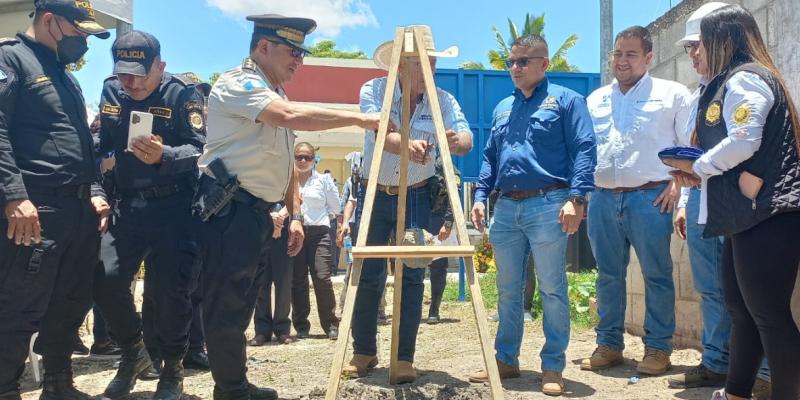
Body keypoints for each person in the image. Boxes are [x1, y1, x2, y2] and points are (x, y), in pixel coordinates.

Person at [194, 14, 379, 399]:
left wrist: (293, 216)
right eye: (292, 51)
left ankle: (236, 384)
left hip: (259, 214)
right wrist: (361, 118)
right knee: (226, 303)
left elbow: (287, 165)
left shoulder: (274, 92)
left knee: (243, 301)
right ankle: (229, 389)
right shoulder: (240, 84)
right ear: (263, 47)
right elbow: (289, 118)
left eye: (302, 53)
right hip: (229, 211)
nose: (300, 60)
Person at [666, 5, 800, 399]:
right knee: (744, 313)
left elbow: (745, 140)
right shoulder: (727, 82)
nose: (694, 52)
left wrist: (699, 167)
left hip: (770, 215)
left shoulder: (745, 80)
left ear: (726, 39)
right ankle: (736, 393)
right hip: (747, 217)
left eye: (701, 42)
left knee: (770, 317)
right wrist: (699, 171)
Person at [342, 25, 473, 383]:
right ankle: (364, 352)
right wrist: (404, 142)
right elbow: (380, 130)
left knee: (412, 274)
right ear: (400, 64)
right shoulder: (374, 90)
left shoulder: (443, 101)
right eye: (420, 63)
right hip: (374, 192)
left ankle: (403, 358)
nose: (428, 70)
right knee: (366, 275)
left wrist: (456, 140)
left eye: (431, 63)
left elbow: (466, 136)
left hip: (416, 193)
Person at [468, 33, 596, 397]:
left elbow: (585, 148)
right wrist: (480, 196)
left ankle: (553, 365)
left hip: (549, 204)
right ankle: (505, 360)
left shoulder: (567, 101)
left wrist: (577, 198)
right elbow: (491, 157)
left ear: (544, 63)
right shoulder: (502, 108)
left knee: (552, 288)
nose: (515, 68)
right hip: (506, 207)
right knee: (508, 290)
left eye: (523, 61)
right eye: (511, 61)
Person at [0, 1, 111, 398]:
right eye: (79, 32)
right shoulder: (11, 60)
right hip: (35, 208)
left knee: (68, 303)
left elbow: (82, 143)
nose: (84, 42)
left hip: (76, 211)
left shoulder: (65, 76)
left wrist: (96, 192)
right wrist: (13, 195)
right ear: (50, 20)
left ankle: (59, 385)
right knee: (19, 307)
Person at [93, 30, 206, 400]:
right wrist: (97, 185)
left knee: (171, 292)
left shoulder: (182, 93)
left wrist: (165, 156)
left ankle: (172, 369)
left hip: (175, 207)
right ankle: (133, 353)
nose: (132, 82)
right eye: (124, 73)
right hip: (128, 205)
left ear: (160, 66)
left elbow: (202, 150)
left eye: (141, 73)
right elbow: (101, 144)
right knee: (104, 276)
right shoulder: (112, 91)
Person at [581, 26, 690, 377]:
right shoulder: (595, 99)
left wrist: (679, 184)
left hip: (650, 198)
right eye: (617, 53)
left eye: (630, 54)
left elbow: (688, 146)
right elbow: (585, 151)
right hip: (602, 198)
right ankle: (609, 344)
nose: (622, 61)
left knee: (656, 274)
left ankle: (658, 349)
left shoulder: (672, 94)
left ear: (648, 57)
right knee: (608, 276)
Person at [291, 142, 341, 340]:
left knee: (322, 277)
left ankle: (330, 324)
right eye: (299, 157)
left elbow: (335, 207)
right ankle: (301, 325)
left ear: (314, 159)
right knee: (297, 279)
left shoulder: (324, 180)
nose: (303, 161)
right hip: (295, 231)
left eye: (307, 157)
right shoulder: (288, 180)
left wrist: (319, 219)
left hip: (319, 233)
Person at [249, 202, 294, 346]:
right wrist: (270, 218)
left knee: (284, 282)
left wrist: (279, 218)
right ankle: (262, 330)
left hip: (285, 226)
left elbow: (296, 196)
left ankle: (282, 328)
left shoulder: (291, 177)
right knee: (261, 281)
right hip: (260, 224)